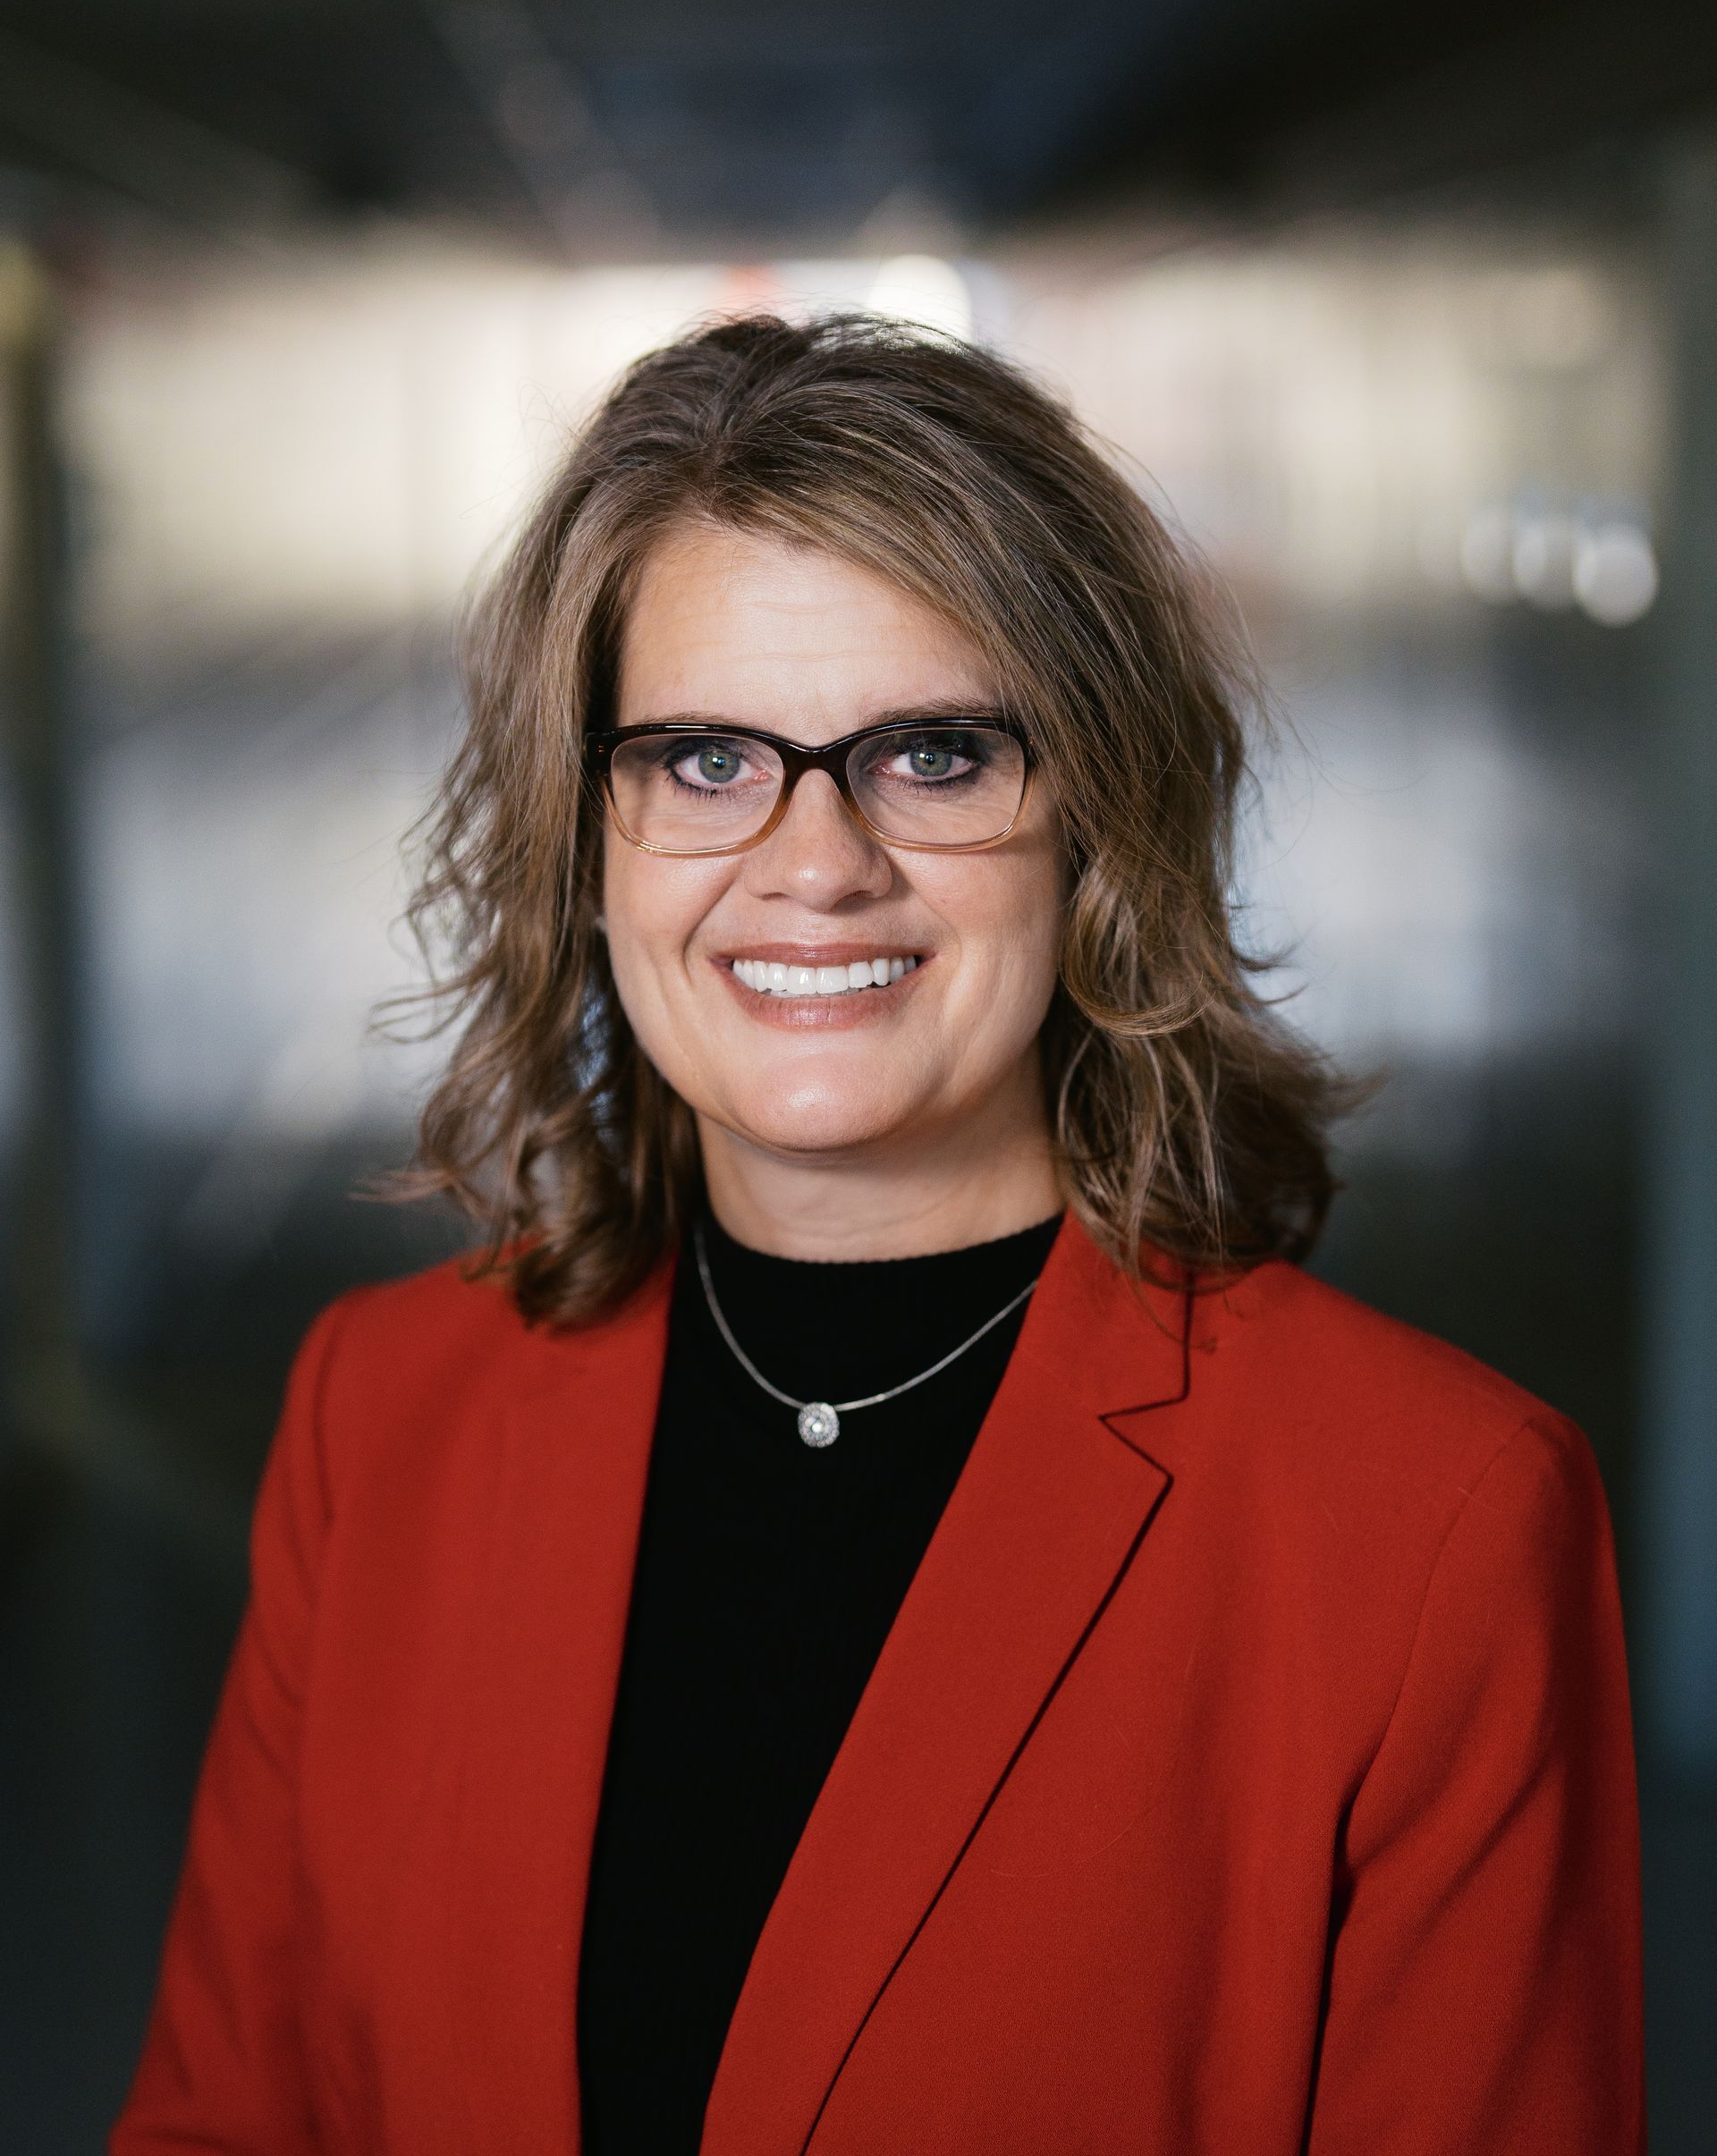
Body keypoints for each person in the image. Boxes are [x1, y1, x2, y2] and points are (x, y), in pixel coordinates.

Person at [114, 313, 1645, 2154]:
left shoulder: (1431, 1521)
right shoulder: (382, 1416)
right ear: (580, 836)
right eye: (700, 761)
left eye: (932, 755)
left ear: (1098, 813)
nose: (815, 861)